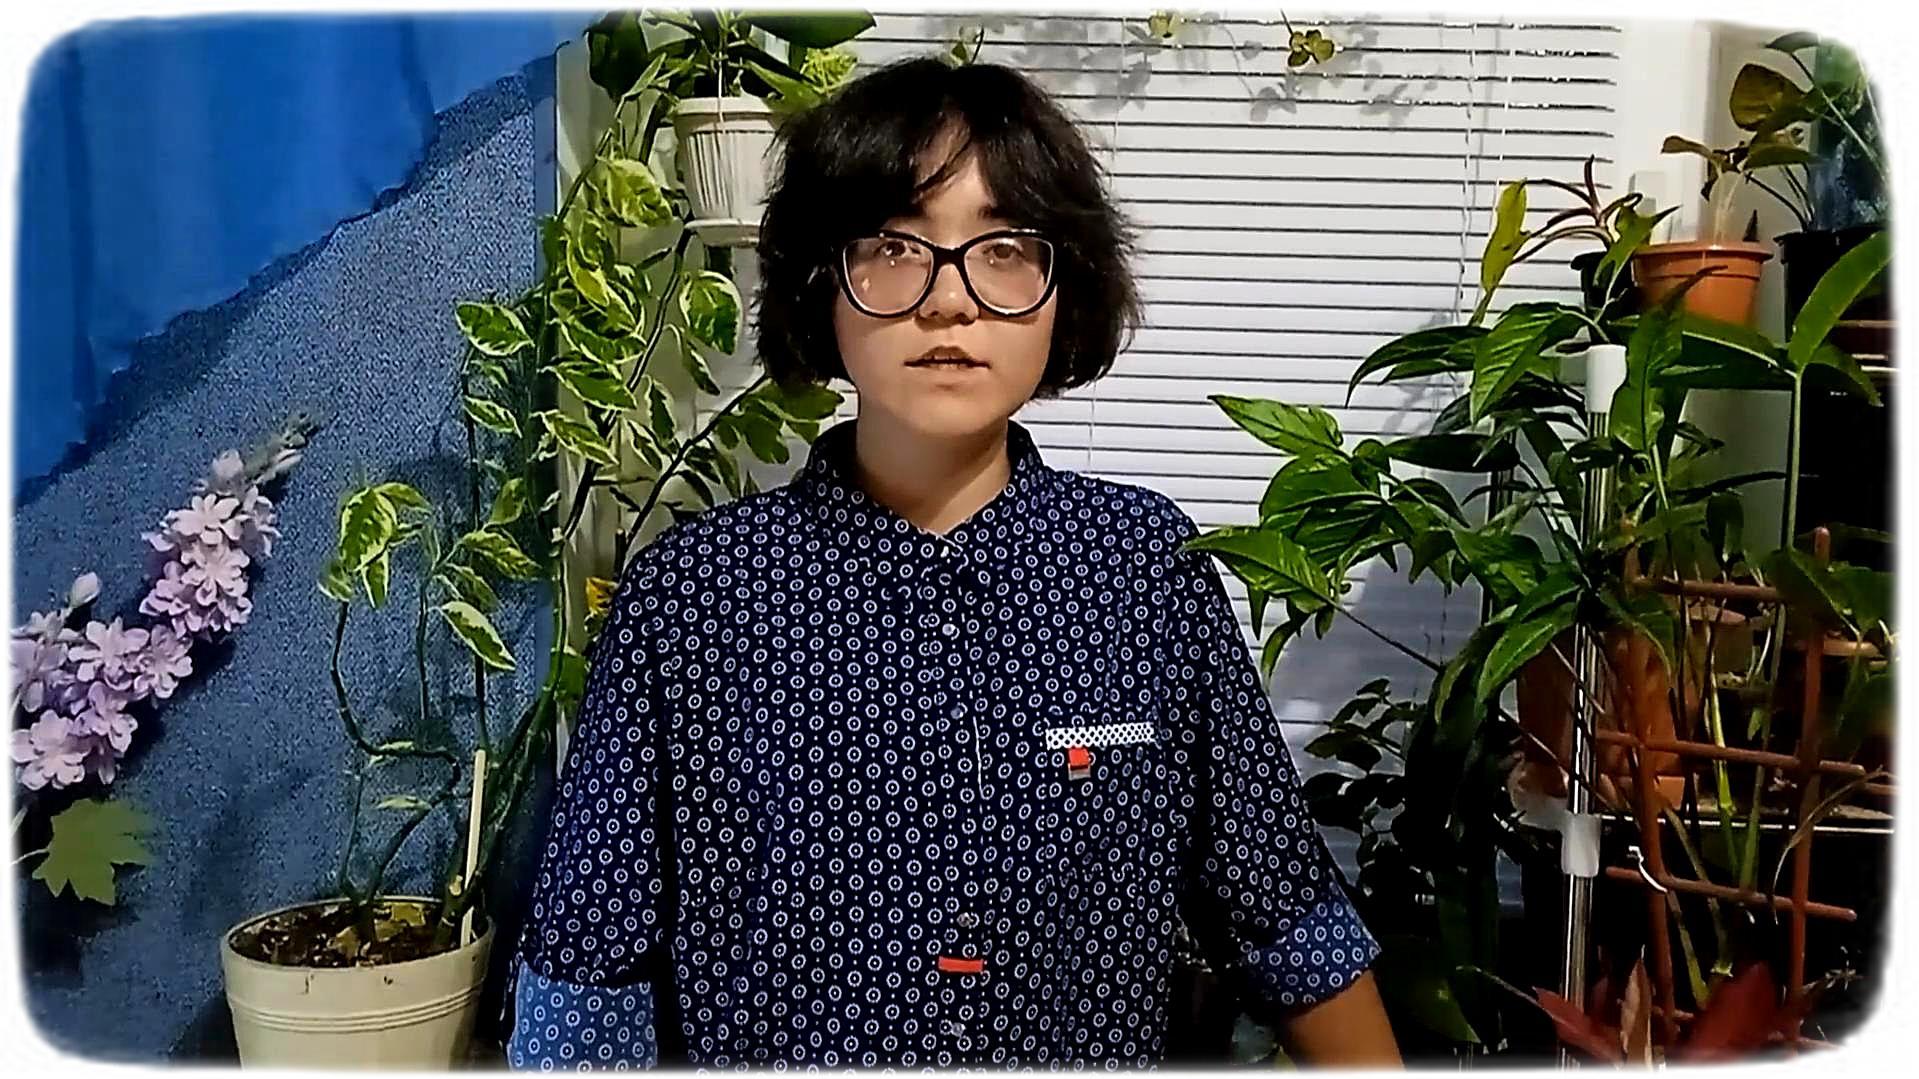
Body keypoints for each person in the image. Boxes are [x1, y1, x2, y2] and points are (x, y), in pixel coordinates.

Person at [506, 55, 1401, 1069]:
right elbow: (588, 973)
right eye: (894, 246)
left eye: (1004, 247)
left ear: (1064, 287)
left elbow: (1284, 917)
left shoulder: (1148, 571)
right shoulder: (693, 596)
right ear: (820, 281)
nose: (948, 300)